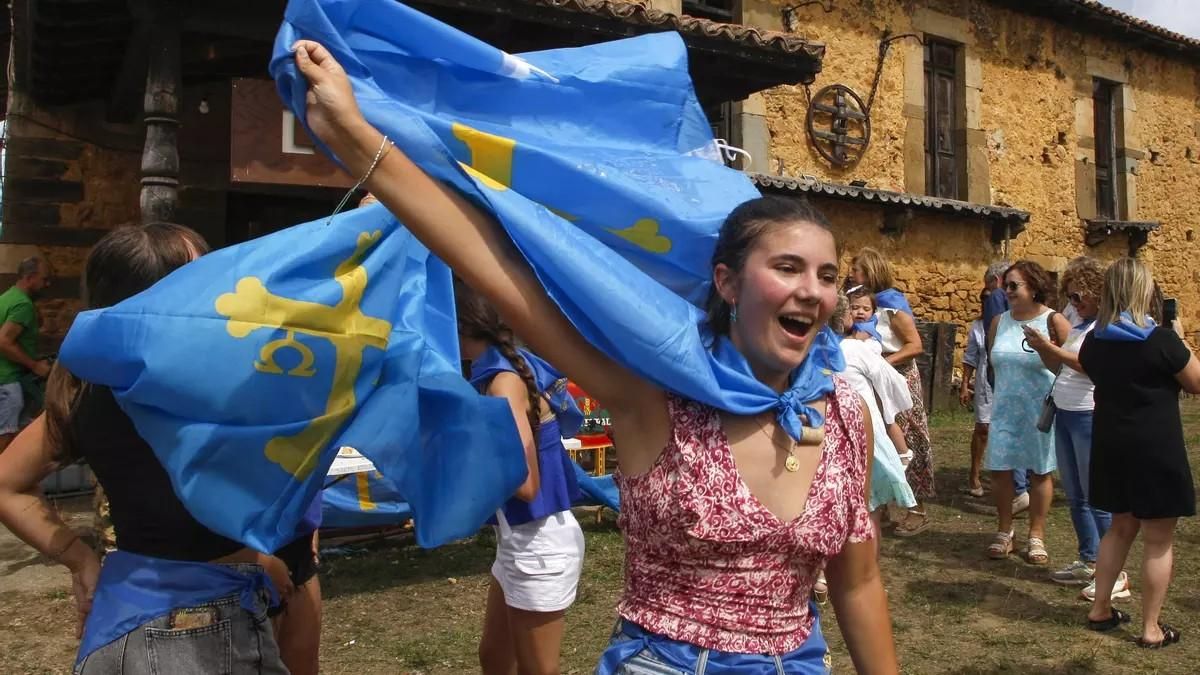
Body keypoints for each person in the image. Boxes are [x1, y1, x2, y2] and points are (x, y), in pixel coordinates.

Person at [292, 39, 899, 673]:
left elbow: (856, 583)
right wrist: (359, 135)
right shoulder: (655, 398)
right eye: (787, 267)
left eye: (828, 275)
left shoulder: (843, 412)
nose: (812, 289)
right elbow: (499, 273)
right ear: (726, 282)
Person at [0, 224, 292, 673]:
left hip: (117, 623)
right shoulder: (219, 385)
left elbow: (7, 484)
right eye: (205, 274)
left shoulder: (84, 389)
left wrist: (80, 561)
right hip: (198, 634)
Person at [457, 280, 586, 675]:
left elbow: (526, 484)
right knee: (494, 658)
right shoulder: (504, 368)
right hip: (520, 542)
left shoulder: (501, 384)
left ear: (460, 326)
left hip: (539, 547)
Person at [1081, 257, 1199, 649]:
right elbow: (1196, 382)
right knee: (1158, 539)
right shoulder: (1161, 341)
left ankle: (1100, 607)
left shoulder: (1094, 341)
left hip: (1111, 444)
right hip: (1154, 447)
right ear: (1144, 291)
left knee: (1120, 527)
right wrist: (1179, 339)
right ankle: (1151, 628)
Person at [1023, 258, 1118, 597]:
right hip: (1064, 412)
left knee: (1097, 496)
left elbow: (1090, 367)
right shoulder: (1078, 322)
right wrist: (1042, 349)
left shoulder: (1108, 327)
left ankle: (1115, 573)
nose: (1074, 304)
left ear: (1097, 292)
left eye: (1079, 296)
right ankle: (1089, 559)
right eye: (1071, 297)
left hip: (1089, 415)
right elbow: (1060, 366)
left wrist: (1051, 348)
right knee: (1077, 495)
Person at [984, 260, 1070, 564]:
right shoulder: (999, 322)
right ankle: (1005, 531)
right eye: (1005, 285)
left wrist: (1046, 347)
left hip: (1039, 408)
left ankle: (1037, 535)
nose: (1006, 291)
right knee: (1000, 469)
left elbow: (1072, 366)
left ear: (1033, 288)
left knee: (1040, 471)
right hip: (1006, 407)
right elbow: (994, 363)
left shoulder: (1054, 321)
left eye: (1013, 285)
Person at [851, 248, 932, 537]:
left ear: (871, 271)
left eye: (856, 269)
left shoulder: (892, 305)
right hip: (872, 378)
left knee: (909, 439)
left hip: (898, 377)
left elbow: (914, 345)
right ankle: (883, 505)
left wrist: (882, 364)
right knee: (877, 439)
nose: (851, 273)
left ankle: (917, 509)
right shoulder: (861, 305)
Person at [0, 256, 53, 451]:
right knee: (5, 442)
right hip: (9, 383)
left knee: (15, 440)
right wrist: (35, 366)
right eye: (44, 279)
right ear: (30, 277)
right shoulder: (23, 305)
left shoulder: (6, 298)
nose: (47, 284)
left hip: (6, 380)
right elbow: (4, 341)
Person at [959, 291, 990, 498]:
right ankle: (975, 473)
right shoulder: (978, 327)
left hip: (1007, 381)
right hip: (985, 380)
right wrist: (964, 385)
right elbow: (971, 357)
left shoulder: (1012, 322)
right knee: (983, 428)